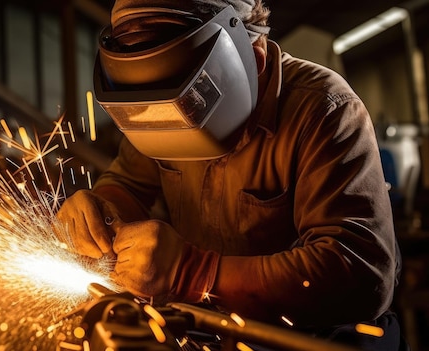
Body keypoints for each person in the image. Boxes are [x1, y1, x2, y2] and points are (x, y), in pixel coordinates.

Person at [57, 0, 404, 349]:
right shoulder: (152, 100)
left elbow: (361, 274)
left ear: (252, 61)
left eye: (195, 103)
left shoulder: (324, 107)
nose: (175, 121)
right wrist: (103, 213)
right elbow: (129, 184)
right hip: (212, 332)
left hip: (319, 339)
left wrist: (194, 273)